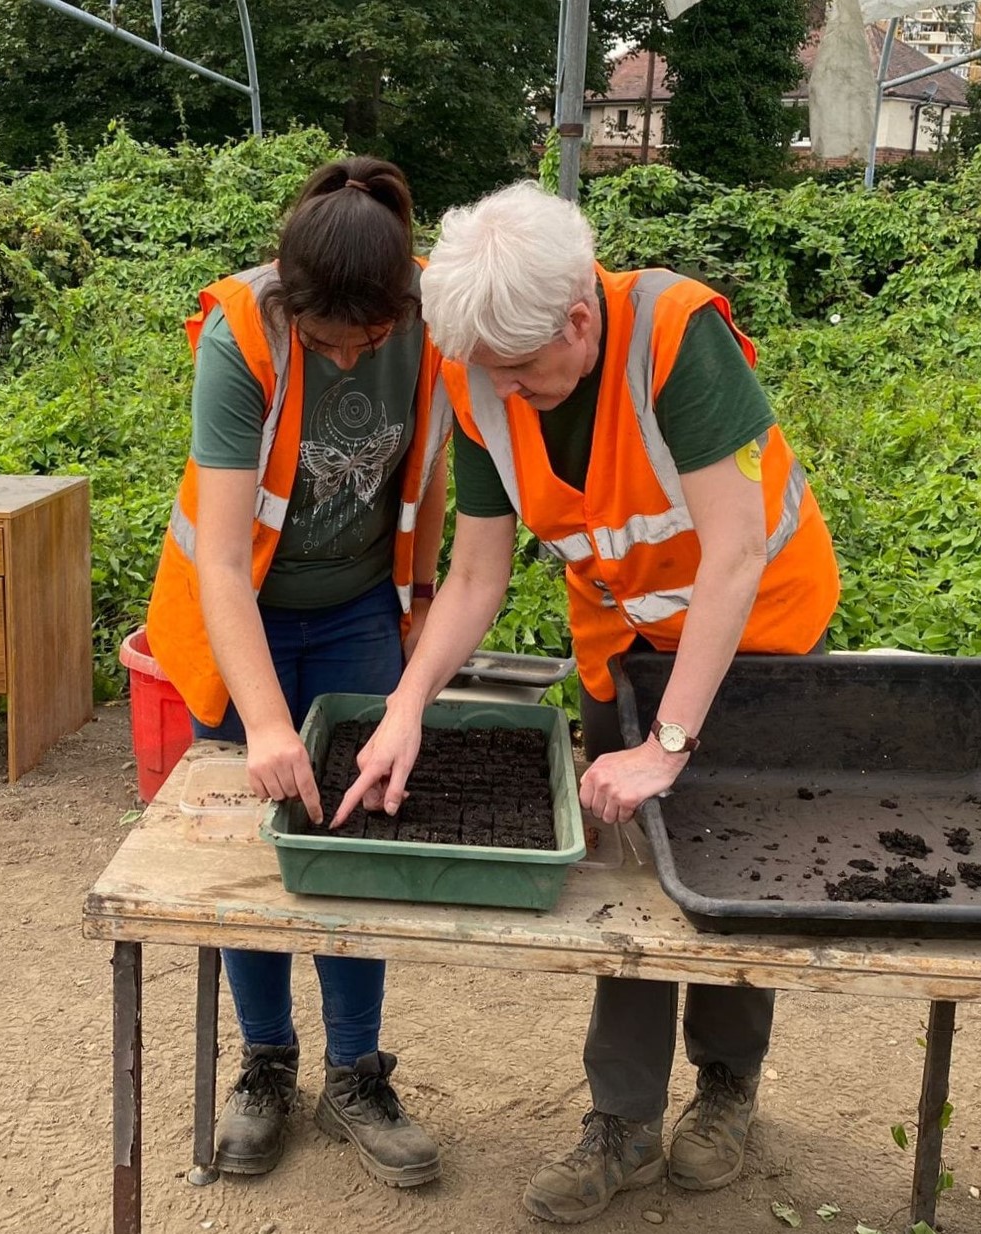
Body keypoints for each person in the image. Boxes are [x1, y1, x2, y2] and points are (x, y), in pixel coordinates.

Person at [333, 181, 840, 1222]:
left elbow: (735, 556)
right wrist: (405, 705)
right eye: (493, 376)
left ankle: (728, 1086)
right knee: (622, 878)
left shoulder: (674, 337)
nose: (509, 393)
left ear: (578, 316)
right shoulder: (481, 376)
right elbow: (475, 578)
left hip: (757, 639)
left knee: (733, 869)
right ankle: (621, 1118)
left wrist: (670, 742)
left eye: (526, 372)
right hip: (622, 642)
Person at [143, 156, 449, 1187]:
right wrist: (267, 727)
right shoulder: (244, 334)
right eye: (333, 341)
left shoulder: (431, 325)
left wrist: (414, 608)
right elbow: (223, 562)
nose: (355, 354)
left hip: (359, 609)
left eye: (371, 337)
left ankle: (356, 1068)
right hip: (248, 617)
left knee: (354, 836)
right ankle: (265, 1060)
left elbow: (435, 476)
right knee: (253, 845)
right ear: (291, 293)